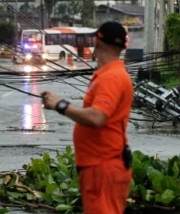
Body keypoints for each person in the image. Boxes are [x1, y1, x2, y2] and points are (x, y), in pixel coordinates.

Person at [41, 21, 133, 214]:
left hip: (103, 166)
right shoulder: (108, 74)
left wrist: (60, 105)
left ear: (97, 42)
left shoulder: (112, 77)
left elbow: (97, 117)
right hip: (98, 164)